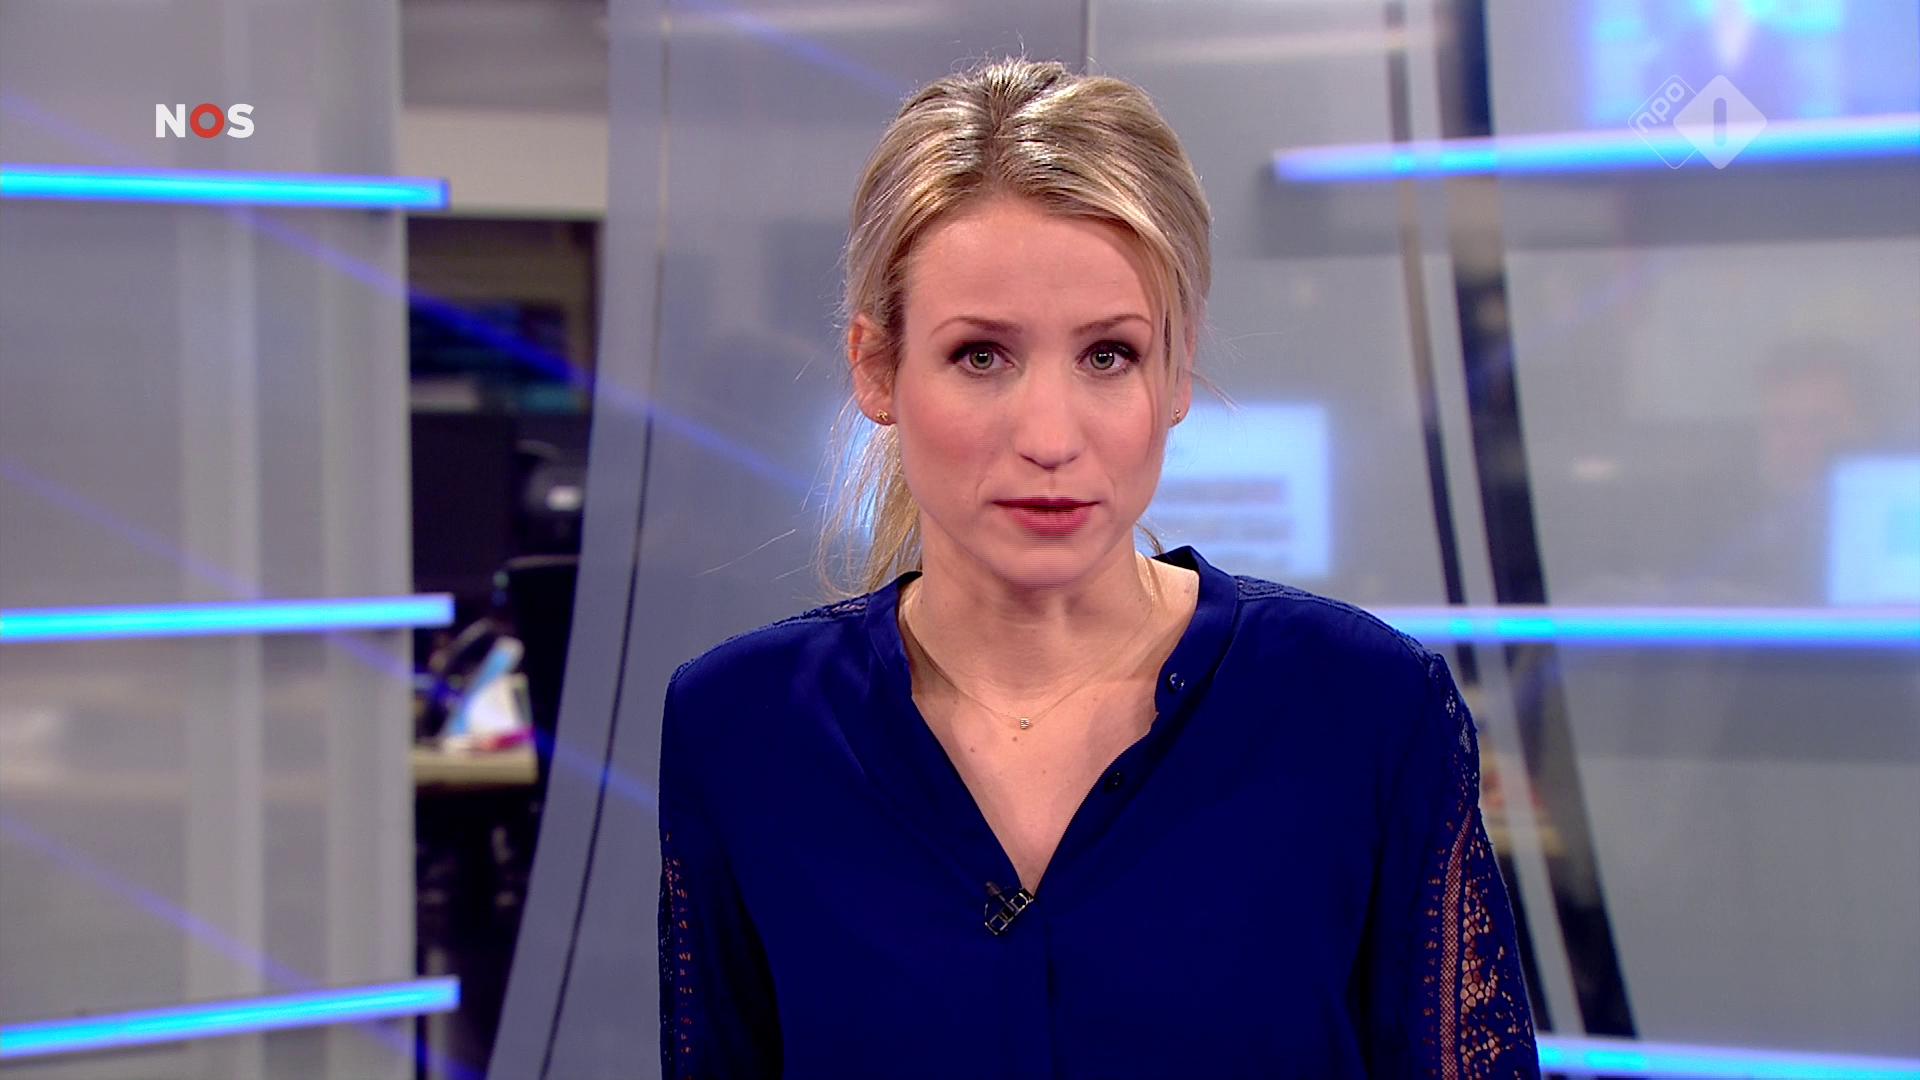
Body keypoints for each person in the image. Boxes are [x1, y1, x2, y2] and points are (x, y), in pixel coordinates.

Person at [657, 57, 1538, 1078]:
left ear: (1176, 368)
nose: (1050, 436)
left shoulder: (1365, 709)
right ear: (876, 367)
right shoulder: (743, 728)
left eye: (1108, 355)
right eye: (981, 355)